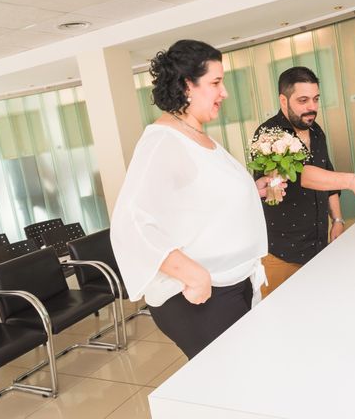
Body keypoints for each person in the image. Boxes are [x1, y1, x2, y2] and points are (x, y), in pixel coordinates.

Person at [110, 39, 284, 359]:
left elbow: (199, 198)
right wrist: (193, 274)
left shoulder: (196, 134)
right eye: (216, 82)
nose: (224, 92)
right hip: (202, 295)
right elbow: (130, 221)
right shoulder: (163, 140)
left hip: (233, 283)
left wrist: (251, 191)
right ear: (187, 85)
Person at [253, 66, 355, 298]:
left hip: (318, 247)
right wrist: (354, 181)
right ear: (283, 99)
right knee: (282, 323)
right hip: (281, 253)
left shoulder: (315, 130)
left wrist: (337, 219)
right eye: (303, 100)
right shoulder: (269, 133)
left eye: (316, 99)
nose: (312, 108)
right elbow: (303, 177)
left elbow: (327, 172)